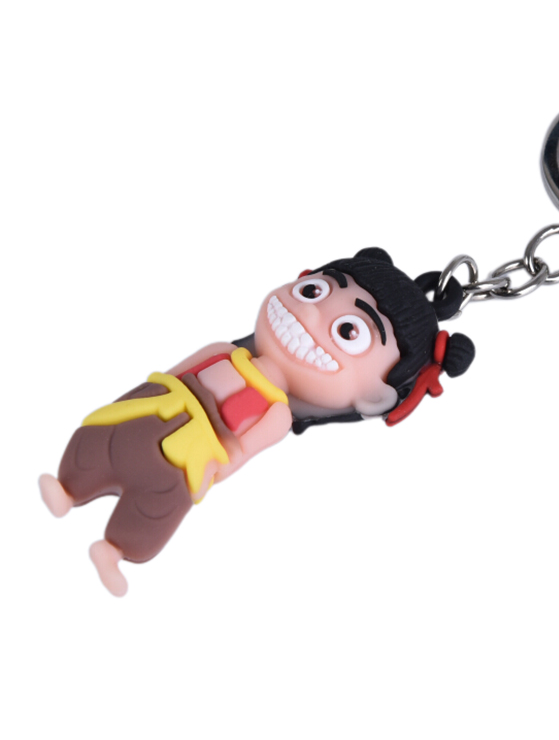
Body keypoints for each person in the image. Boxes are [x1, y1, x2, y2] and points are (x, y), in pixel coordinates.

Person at [39, 247, 475, 595]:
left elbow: (240, 450)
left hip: (196, 450)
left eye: (348, 332)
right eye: (314, 293)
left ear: (374, 397)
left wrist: (212, 469)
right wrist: (150, 391)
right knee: (104, 436)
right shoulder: (221, 351)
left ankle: (114, 549)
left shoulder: (278, 415)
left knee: (158, 503)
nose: (309, 316)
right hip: (160, 404)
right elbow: (171, 373)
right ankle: (68, 488)